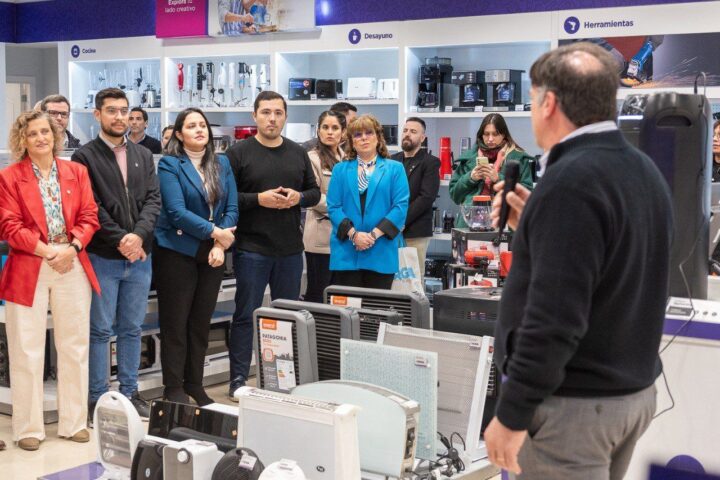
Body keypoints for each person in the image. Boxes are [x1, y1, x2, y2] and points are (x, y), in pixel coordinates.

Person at [484, 42, 673, 479]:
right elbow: (613, 264)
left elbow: (554, 318)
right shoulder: (642, 170)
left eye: (532, 100)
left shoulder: (570, 182)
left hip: (572, 406)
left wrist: (512, 415)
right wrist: (535, 226)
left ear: (548, 102)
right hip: (629, 393)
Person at [0, 111, 100, 450]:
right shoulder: (10, 177)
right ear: (22, 140)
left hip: (72, 262)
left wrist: (71, 247)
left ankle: (73, 423)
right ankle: (28, 428)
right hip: (30, 265)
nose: (41, 138)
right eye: (32, 134)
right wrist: (48, 252)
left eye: (46, 132)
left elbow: (89, 215)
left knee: (74, 345)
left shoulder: (77, 172)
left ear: (55, 136)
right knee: (26, 348)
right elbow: (9, 226)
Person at [71, 88, 161, 420]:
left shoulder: (142, 155)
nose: (119, 117)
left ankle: (129, 391)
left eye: (124, 111)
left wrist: (137, 237)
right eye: (112, 111)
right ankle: (97, 396)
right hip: (102, 257)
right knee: (99, 329)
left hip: (139, 258)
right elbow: (89, 207)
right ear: (97, 114)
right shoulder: (84, 157)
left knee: (132, 327)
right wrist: (122, 238)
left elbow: (153, 200)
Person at [225, 90, 320, 398]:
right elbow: (227, 199)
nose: (272, 118)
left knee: (286, 318)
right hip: (252, 249)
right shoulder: (238, 153)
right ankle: (238, 379)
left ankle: (286, 380)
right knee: (245, 315)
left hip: (290, 250)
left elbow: (314, 192)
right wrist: (259, 200)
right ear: (254, 116)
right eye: (266, 112)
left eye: (278, 113)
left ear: (285, 117)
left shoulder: (297, 152)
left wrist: (299, 198)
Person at [153, 108, 238, 405]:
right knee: (176, 324)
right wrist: (216, 233)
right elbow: (176, 213)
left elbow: (232, 209)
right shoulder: (170, 165)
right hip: (177, 252)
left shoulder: (222, 163)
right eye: (192, 126)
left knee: (201, 323)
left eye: (203, 125)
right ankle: (173, 387)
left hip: (212, 253)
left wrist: (219, 245)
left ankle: (194, 384)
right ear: (179, 134)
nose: (200, 130)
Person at [326, 114, 409, 289]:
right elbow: (333, 207)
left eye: (369, 133)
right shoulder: (340, 170)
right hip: (347, 252)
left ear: (378, 138)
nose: (363, 138)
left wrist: (372, 236)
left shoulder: (395, 168)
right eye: (357, 135)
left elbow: (400, 207)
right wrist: (354, 235)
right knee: (347, 312)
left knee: (376, 311)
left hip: (381, 250)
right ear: (352, 142)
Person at [450, 113, 534, 228]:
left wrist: (498, 179)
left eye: (495, 134)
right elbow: (455, 195)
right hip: (469, 225)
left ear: (503, 134)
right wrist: (470, 178)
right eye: (486, 134)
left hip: (504, 224)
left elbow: (526, 195)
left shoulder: (518, 158)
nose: (490, 139)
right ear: (481, 135)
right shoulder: (469, 157)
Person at [303, 110, 346, 303]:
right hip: (321, 235)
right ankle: (315, 333)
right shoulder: (311, 158)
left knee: (340, 295)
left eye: (335, 128)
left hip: (346, 235)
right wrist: (342, 209)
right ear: (318, 131)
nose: (330, 132)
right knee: (318, 292)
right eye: (325, 127)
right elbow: (313, 196)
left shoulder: (348, 158)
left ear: (343, 132)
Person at [391, 117, 440, 278]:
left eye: (413, 131)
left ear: (422, 137)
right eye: (405, 130)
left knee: (413, 279)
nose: (407, 134)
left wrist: (401, 220)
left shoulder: (430, 162)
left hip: (415, 230)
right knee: (391, 278)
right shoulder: (392, 160)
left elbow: (426, 197)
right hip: (389, 229)